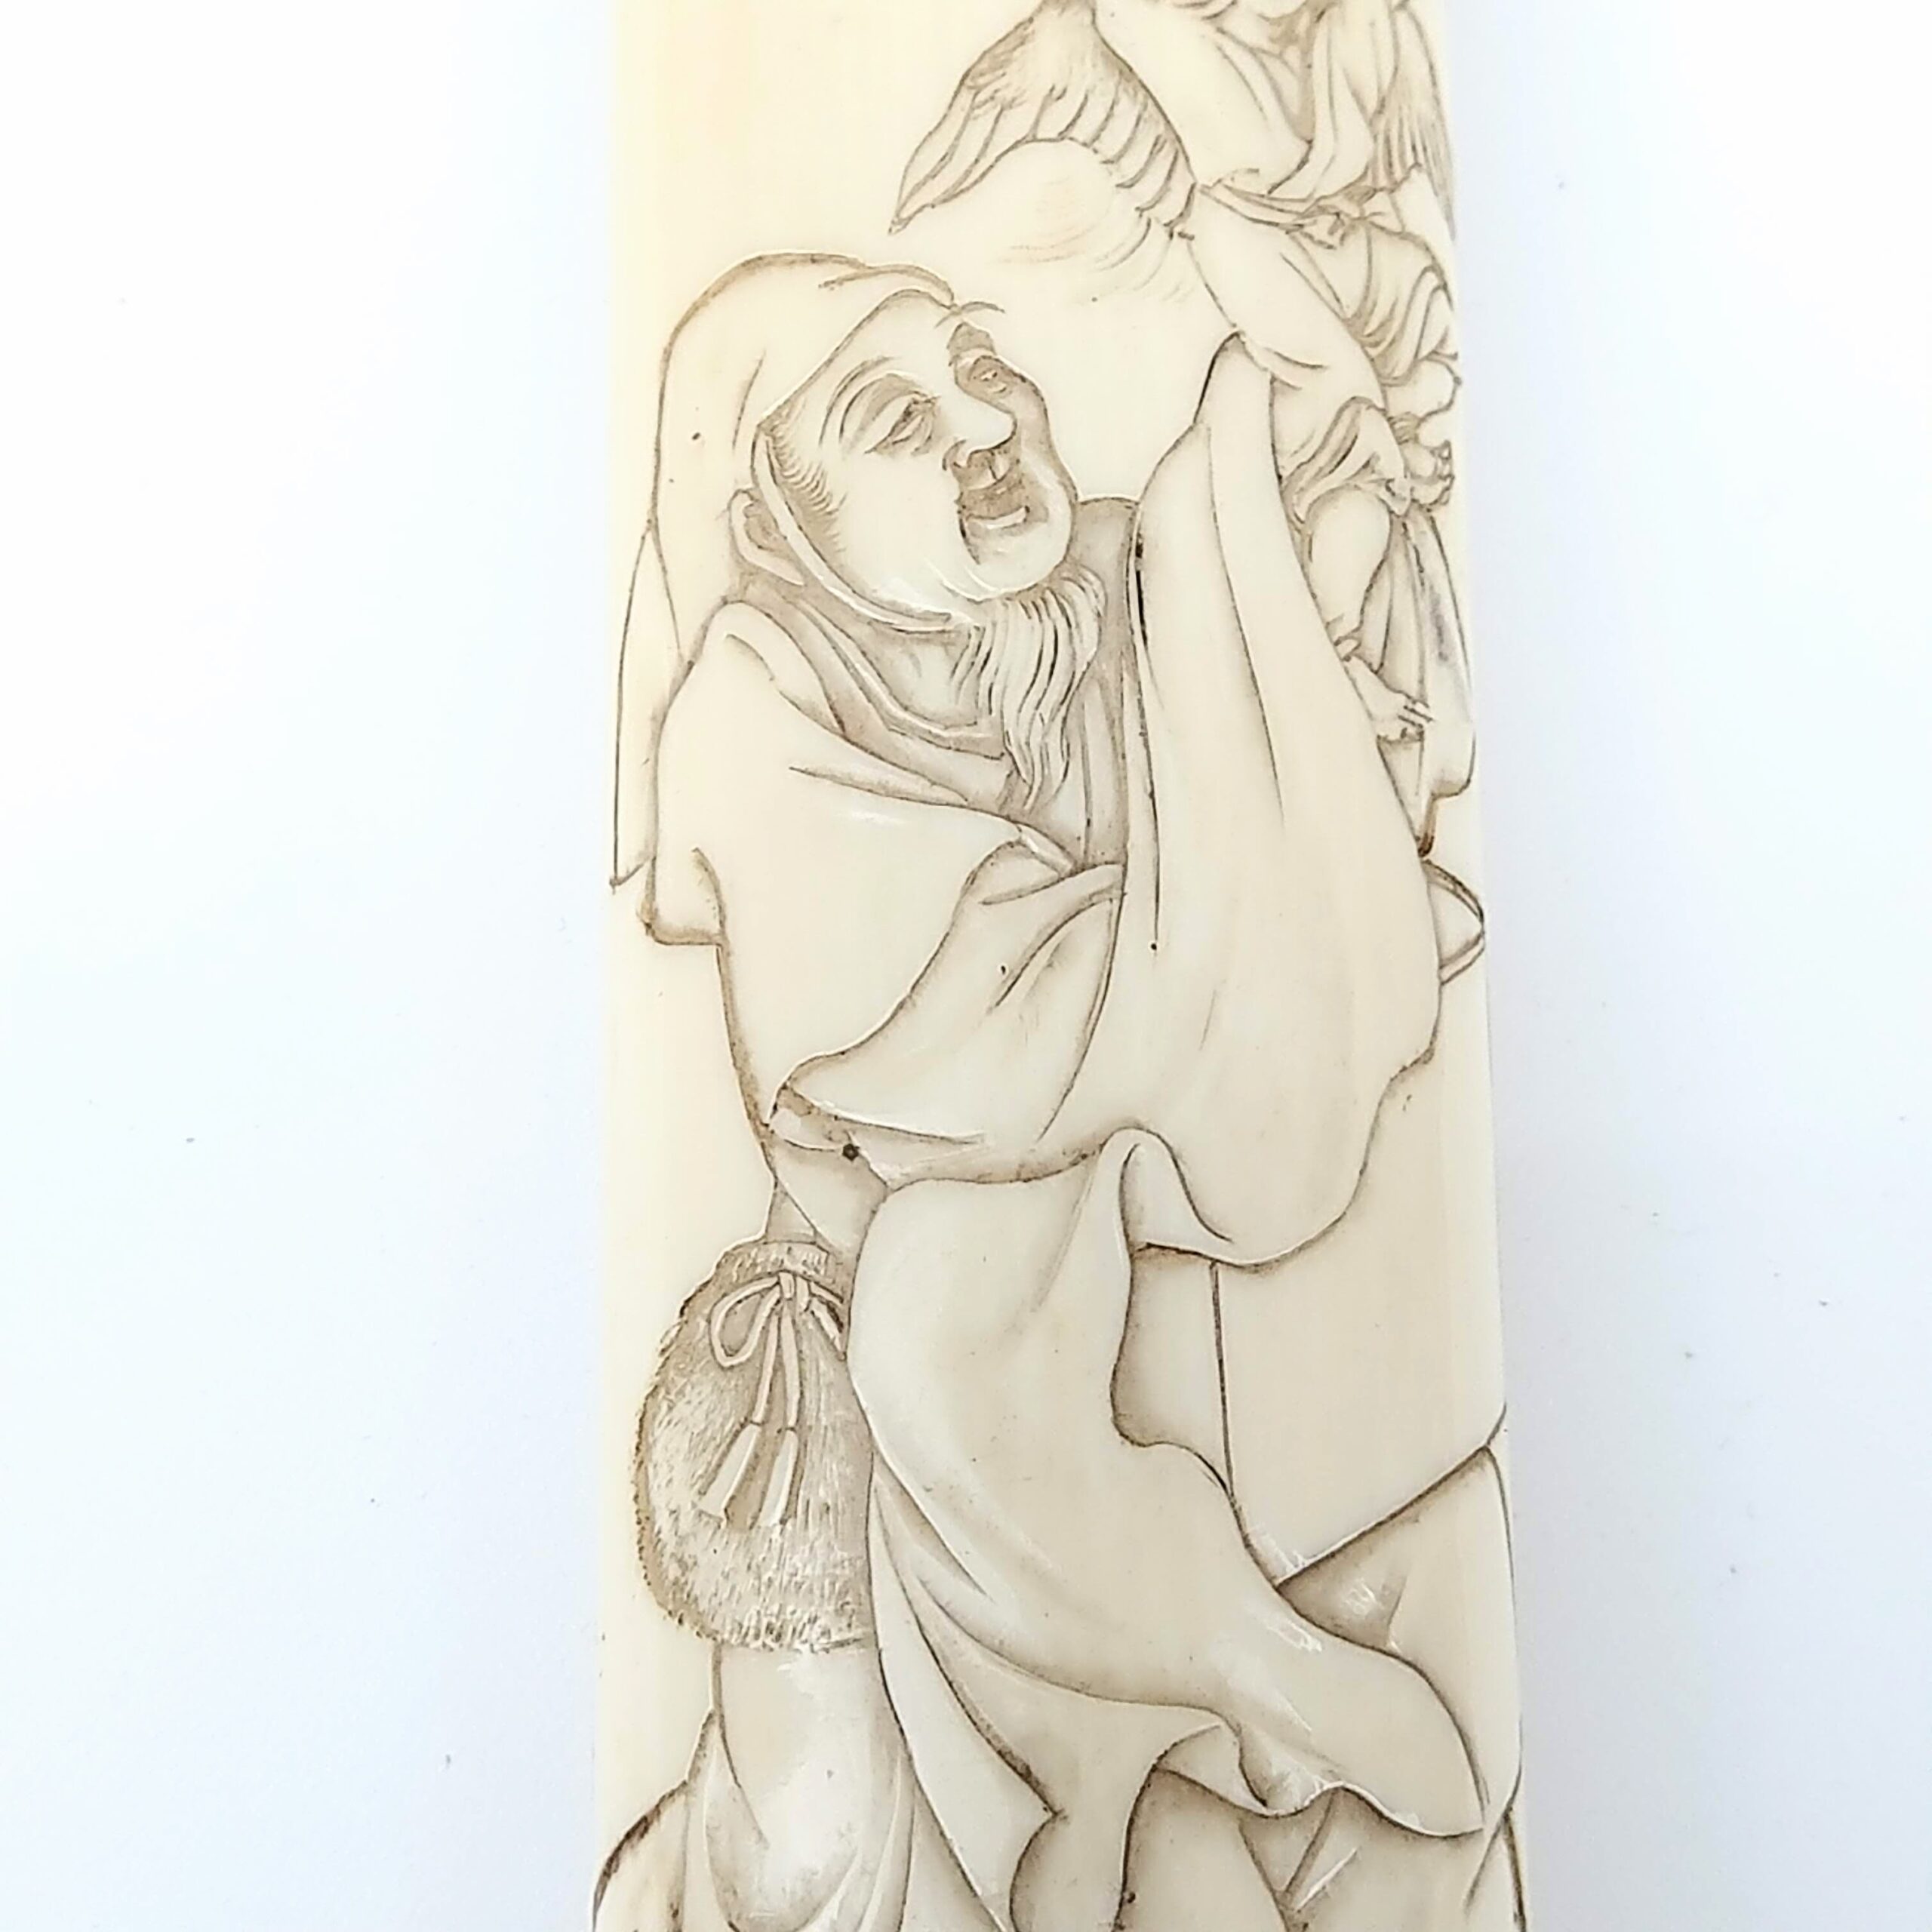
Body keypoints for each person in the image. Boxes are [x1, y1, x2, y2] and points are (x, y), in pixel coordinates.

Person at [600, 181, 1520, 1932]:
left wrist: (1287, 421)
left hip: (1121, 1194)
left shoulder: (1103, 594)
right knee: (938, 1312)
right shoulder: (748, 713)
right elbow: (942, 1027)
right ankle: (1238, 1674)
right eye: (894, 422)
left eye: (975, 368)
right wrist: (1215, 918)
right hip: (934, 1231)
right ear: (777, 523)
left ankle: (1185, 1731)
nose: (981, 426)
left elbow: (1278, 593)